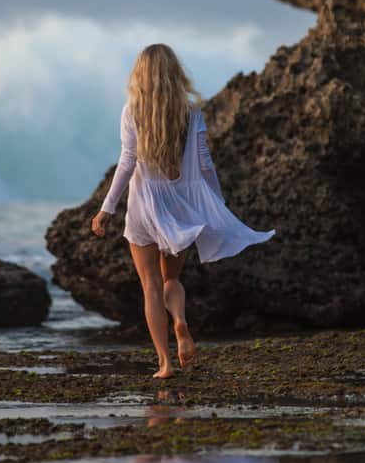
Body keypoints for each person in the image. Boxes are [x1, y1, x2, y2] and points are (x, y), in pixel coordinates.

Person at [90, 43, 275, 379]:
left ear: (140, 75)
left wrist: (107, 208)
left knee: (150, 285)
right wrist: (215, 204)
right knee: (171, 278)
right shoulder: (192, 114)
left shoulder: (132, 111)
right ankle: (180, 321)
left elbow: (128, 162)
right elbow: (205, 166)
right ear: (174, 73)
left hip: (145, 205)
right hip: (183, 206)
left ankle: (164, 363)